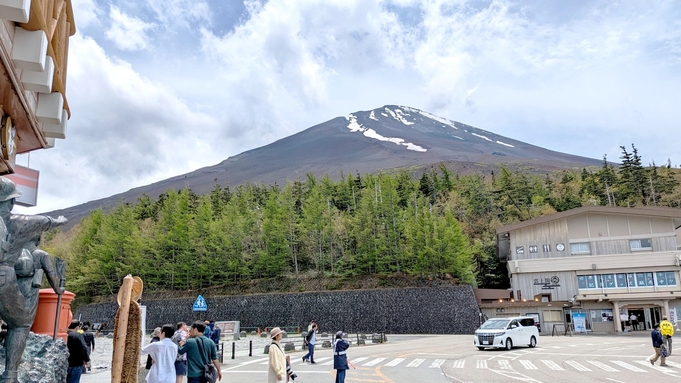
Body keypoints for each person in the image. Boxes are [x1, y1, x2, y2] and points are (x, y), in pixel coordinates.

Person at [0, 177, 68, 383]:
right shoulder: (20, 223)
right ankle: (10, 374)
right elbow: (52, 222)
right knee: (20, 323)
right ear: (10, 202)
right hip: (4, 278)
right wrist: (61, 219)